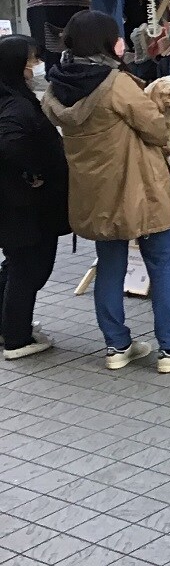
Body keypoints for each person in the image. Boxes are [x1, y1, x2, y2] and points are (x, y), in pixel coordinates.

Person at [42, 11, 170, 372]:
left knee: (109, 265)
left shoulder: (56, 87)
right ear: (107, 42)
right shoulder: (116, 83)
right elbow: (155, 128)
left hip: (95, 194)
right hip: (140, 189)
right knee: (164, 264)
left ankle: (117, 346)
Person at [0, 36, 70, 359]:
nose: (34, 68)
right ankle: (16, 338)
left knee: (16, 266)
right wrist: (34, 171)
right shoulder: (13, 105)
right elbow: (12, 143)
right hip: (21, 203)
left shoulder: (12, 95)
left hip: (17, 202)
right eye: (29, 61)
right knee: (29, 267)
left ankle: (9, 326)